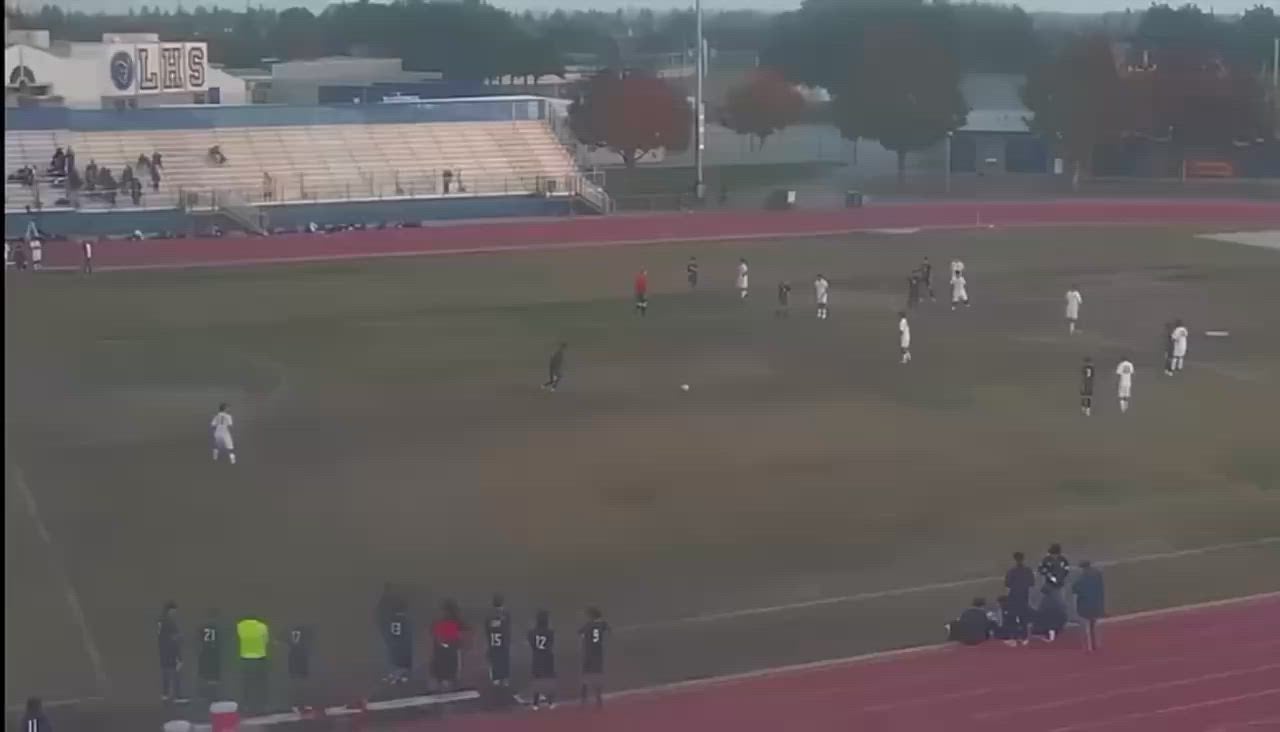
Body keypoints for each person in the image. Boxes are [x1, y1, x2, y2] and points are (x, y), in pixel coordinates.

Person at [235, 614, 270, 712]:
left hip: (245, 657)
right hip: (260, 657)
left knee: (246, 682)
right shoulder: (262, 626)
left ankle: (247, 704)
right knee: (261, 682)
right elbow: (266, 641)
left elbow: (237, 638)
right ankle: (263, 704)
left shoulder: (240, 625)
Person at [578, 607, 610, 708]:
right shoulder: (603, 624)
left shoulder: (588, 625)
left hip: (589, 654)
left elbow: (580, 632)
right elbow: (607, 630)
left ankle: (583, 698)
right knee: (597, 676)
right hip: (598, 654)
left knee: (585, 675)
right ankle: (598, 698)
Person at [431, 600, 465, 691]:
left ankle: (445, 680)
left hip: (446, 649)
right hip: (448, 649)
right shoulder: (450, 622)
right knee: (451, 664)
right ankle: (447, 680)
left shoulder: (445, 623)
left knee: (448, 663)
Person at [157, 601, 188, 703]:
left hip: (164, 651)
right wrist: (180, 638)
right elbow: (173, 637)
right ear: (170, 610)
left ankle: (165, 694)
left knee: (166, 672)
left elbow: (162, 637)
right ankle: (177, 696)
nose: (175, 613)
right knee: (176, 673)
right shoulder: (169, 622)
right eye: (174, 611)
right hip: (172, 651)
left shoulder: (161, 621)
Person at [1072, 561, 1106, 651]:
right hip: (1096, 604)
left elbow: (1075, 595)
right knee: (1095, 625)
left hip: (1084, 606)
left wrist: (1075, 609)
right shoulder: (1098, 575)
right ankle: (1097, 645)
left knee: (1086, 627)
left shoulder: (1079, 580)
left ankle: (1089, 647)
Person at [528, 610, 556, 710]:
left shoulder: (531, 632)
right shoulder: (550, 632)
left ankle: (535, 704)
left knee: (537, 680)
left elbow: (531, 644)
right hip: (547, 657)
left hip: (536, 657)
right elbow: (551, 644)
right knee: (549, 680)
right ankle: (550, 702)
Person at [485, 594, 512, 688]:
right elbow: (507, 629)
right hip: (503, 641)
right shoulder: (506, 614)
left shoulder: (489, 616)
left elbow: (487, 629)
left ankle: (497, 678)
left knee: (495, 659)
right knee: (504, 659)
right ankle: (504, 678)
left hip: (494, 641)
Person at [197, 609, 225, 700]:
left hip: (206, 653)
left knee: (207, 676)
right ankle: (212, 695)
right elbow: (216, 642)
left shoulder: (203, 628)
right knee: (213, 676)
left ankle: (207, 695)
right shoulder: (215, 629)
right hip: (212, 654)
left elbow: (200, 641)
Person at [1004, 552, 1035, 626]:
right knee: (1023, 615)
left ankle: (1016, 630)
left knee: (1014, 614)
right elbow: (1032, 583)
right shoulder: (1028, 570)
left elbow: (1007, 584)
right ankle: (1023, 629)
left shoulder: (1011, 571)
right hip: (1024, 594)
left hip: (1014, 595)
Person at [286, 624, 314, 709]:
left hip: (297, 664)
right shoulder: (300, 644)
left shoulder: (295, 644)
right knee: (299, 685)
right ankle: (299, 704)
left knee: (299, 685)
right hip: (298, 664)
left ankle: (299, 704)